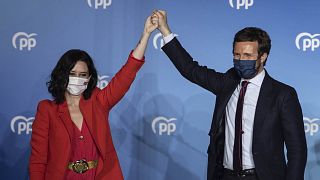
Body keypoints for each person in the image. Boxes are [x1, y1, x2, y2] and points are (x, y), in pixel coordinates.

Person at [151, 10, 307, 180]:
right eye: (237, 55)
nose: (241, 60)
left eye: (247, 55)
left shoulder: (283, 94)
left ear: (263, 56)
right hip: (225, 176)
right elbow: (190, 69)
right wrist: (165, 30)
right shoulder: (227, 82)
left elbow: (297, 150)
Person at [29, 15, 157, 180]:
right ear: (62, 75)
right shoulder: (47, 109)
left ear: (89, 78)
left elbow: (126, 74)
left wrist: (145, 35)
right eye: (72, 74)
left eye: (83, 74)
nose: (77, 78)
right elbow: (38, 160)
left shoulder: (99, 101)